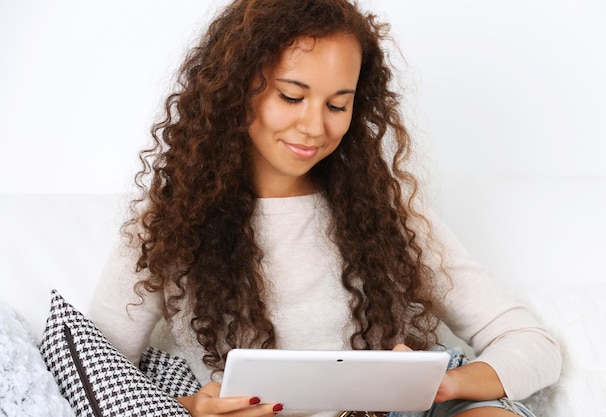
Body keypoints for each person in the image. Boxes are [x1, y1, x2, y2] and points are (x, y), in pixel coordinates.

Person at [88, 1, 562, 416]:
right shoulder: (168, 221)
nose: (314, 127)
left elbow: (533, 344)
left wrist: (444, 384)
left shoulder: (385, 208)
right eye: (291, 96)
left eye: (338, 105)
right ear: (233, 88)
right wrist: (190, 408)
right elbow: (97, 368)